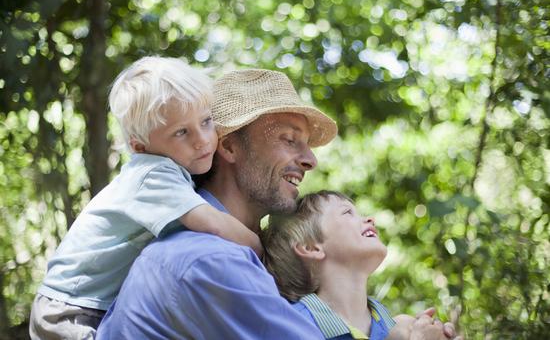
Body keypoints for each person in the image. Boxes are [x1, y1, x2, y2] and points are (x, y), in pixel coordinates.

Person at [97, 69, 457, 339]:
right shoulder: (209, 259)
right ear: (229, 146)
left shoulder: (247, 259)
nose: (310, 161)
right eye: (289, 140)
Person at [29, 57, 261, 340]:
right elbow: (214, 225)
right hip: (69, 310)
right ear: (140, 146)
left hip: (81, 303)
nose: (202, 139)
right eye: (181, 132)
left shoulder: (169, 171)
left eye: (206, 121)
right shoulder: (154, 175)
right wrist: (260, 249)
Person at [262, 190, 453, 340]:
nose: (370, 219)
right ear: (311, 247)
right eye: (347, 212)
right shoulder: (292, 325)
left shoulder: (390, 323)